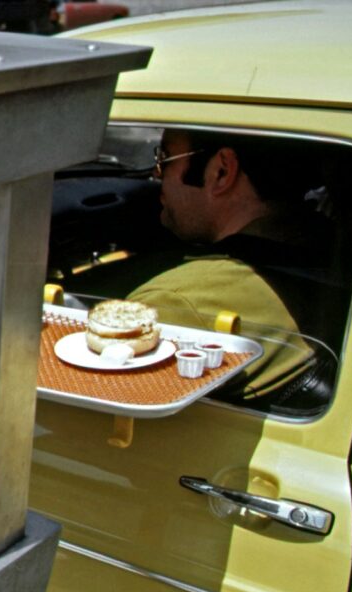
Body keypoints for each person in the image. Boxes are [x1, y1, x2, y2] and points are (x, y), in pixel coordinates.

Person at [126, 129, 335, 399]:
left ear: (221, 172)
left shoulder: (170, 303)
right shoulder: (336, 249)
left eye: (164, 159)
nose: (156, 175)